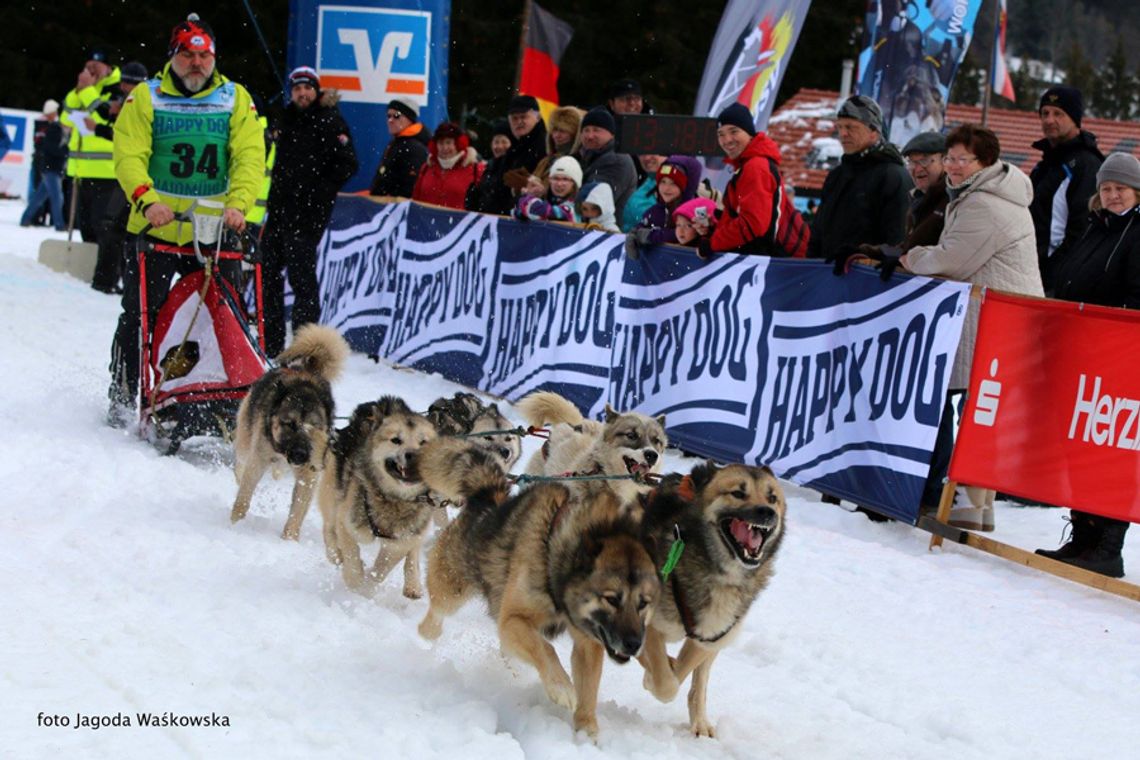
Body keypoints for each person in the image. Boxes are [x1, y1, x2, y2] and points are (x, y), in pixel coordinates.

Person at [107, 14, 265, 420]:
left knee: (225, 315)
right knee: (140, 314)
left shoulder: (234, 97)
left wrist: (239, 203)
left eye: (204, 56)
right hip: (156, 226)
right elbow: (129, 154)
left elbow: (249, 155)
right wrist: (146, 199)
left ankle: (228, 400)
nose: (197, 64)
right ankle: (125, 391)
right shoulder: (146, 96)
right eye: (188, 56)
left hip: (214, 231)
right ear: (172, 57)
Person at [899, 124, 1043, 532]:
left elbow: (952, 260)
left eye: (964, 159)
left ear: (986, 163)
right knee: (981, 408)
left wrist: (911, 258)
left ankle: (962, 505)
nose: (954, 166)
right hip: (995, 313)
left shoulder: (984, 204)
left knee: (977, 409)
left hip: (998, 317)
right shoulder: (979, 194)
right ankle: (975, 509)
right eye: (951, 158)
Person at [1033, 153, 1140, 577]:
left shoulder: (1137, 232)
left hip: (1120, 359)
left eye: (1121, 189)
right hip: (1083, 356)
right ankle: (1082, 535)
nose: (1113, 196)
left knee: (1111, 451)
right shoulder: (1097, 228)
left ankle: (1107, 544)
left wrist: (1110, 328)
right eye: (1107, 188)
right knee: (1079, 445)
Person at [260, 66, 358, 357]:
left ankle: (303, 350)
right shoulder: (285, 119)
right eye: (297, 88)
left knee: (302, 281)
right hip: (278, 212)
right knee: (267, 276)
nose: (302, 93)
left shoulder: (329, 120)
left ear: (316, 91)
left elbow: (348, 164)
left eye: (307, 88)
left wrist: (318, 192)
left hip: (307, 216)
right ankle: (270, 345)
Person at [808, 95, 912, 263]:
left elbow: (896, 239)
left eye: (851, 127)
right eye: (840, 127)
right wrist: (811, 267)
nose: (843, 133)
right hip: (827, 275)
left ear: (873, 132)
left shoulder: (893, 176)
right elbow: (818, 231)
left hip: (867, 278)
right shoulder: (837, 175)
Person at [698, 103, 809, 258]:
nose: (727, 140)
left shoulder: (755, 166)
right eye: (721, 134)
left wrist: (713, 243)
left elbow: (753, 224)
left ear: (749, 133)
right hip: (758, 259)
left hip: (760, 262)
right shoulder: (748, 165)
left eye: (733, 132)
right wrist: (714, 227)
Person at [1029, 86, 1104, 292]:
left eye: (1058, 114)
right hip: (1032, 273)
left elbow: (1082, 229)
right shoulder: (1046, 164)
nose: (1049, 120)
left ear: (1075, 119)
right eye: (1045, 113)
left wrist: (1057, 272)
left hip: (1057, 282)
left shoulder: (1086, 165)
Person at [89, 61, 149, 294]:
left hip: (134, 176)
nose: (126, 88)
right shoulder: (140, 100)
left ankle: (110, 281)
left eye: (131, 84)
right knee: (120, 230)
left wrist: (99, 127)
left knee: (115, 228)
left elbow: (124, 135)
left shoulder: (141, 103)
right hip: (133, 175)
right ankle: (123, 281)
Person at [60, 49, 121, 264]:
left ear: (108, 68)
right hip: (80, 170)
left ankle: (106, 271)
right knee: (84, 225)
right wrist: (77, 91)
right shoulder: (86, 90)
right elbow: (66, 120)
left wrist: (86, 91)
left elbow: (107, 117)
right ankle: (90, 266)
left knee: (103, 225)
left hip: (107, 172)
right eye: (88, 67)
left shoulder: (117, 89)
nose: (91, 71)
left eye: (96, 67)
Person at [465, 95, 547, 215]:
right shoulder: (513, 150)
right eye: (514, 118)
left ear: (537, 117)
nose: (519, 122)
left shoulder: (544, 146)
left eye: (524, 117)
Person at [627, 155, 702, 252]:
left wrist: (651, 236)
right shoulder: (655, 211)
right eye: (663, 182)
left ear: (685, 187)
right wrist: (634, 235)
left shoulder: (696, 211)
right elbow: (643, 226)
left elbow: (686, 235)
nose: (666, 188)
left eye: (673, 183)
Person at [573, 107, 636, 222]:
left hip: (606, 231)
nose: (590, 135)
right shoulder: (589, 156)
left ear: (611, 134)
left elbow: (593, 200)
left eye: (596, 130)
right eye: (586, 130)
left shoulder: (616, 160)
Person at [412, 122, 482, 211]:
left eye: (449, 143)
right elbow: (416, 199)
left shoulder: (475, 169)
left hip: (459, 223)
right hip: (425, 223)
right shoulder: (426, 168)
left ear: (458, 144)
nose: (445, 148)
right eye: (441, 143)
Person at [20, 100, 67, 231]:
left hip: (48, 167)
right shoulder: (54, 128)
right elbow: (52, 148)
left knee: (39, 198)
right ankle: (59, 224)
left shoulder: (47, 127)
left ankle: (25, 219)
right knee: (57, 198)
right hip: (51, 168)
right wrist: (66, 152)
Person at [369, 97, 430, 198]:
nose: (390, 120)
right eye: (388, 116)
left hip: (396, 209)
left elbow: (411, 187)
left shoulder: (414, 147)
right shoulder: (397, 143)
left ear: (409, 119)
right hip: (385, 206)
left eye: (396, 116)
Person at [513, 156, 581, 223]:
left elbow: (541, 211)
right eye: (555, 178)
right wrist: (531, 195)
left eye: (565, 179)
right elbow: (517, 214)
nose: (559, 184)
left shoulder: (575, 208)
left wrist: (528, 197)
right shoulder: (547, 201)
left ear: (574, 184)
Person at [533, 105, 584, 182]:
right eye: (554, 130)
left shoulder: (578, 162)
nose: (557, 135)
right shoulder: (545, 161)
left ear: (574, 133)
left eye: (563, 131)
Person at [621, 154, 665, 232]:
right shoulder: (638, 198)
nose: (646, 158)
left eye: (654, 151)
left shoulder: (691, 181)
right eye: (641, 152)